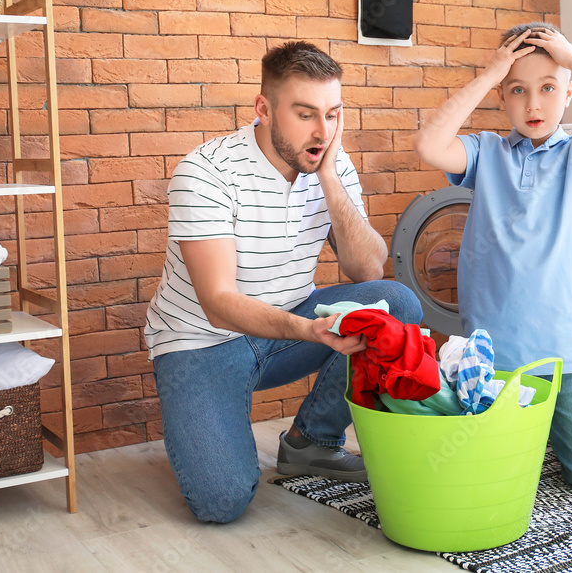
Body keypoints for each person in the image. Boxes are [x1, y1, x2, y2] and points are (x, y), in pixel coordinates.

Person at [145, 41, 422, 523]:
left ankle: (312, 441)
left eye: (333, 114)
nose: (322, 131)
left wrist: (331, 179)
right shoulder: (205, 172)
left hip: (287, 327)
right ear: (264, 109)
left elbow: (368, 271)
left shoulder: (328, 162)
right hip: (202, 343)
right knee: (221, 503)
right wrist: (308, 331)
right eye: (305, 114)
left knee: (394, 303)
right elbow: (218, 302)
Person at [413, 22, 572, 492]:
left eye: (547, 88)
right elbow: (429, 145)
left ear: (568, 95)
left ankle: (546, 436)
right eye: (518, 90)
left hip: (570, 354)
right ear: (503, 96)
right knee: (491, 477)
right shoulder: (487, 152)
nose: (533, 104)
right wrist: (489, 73)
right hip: (496, 353)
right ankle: (525, 437)